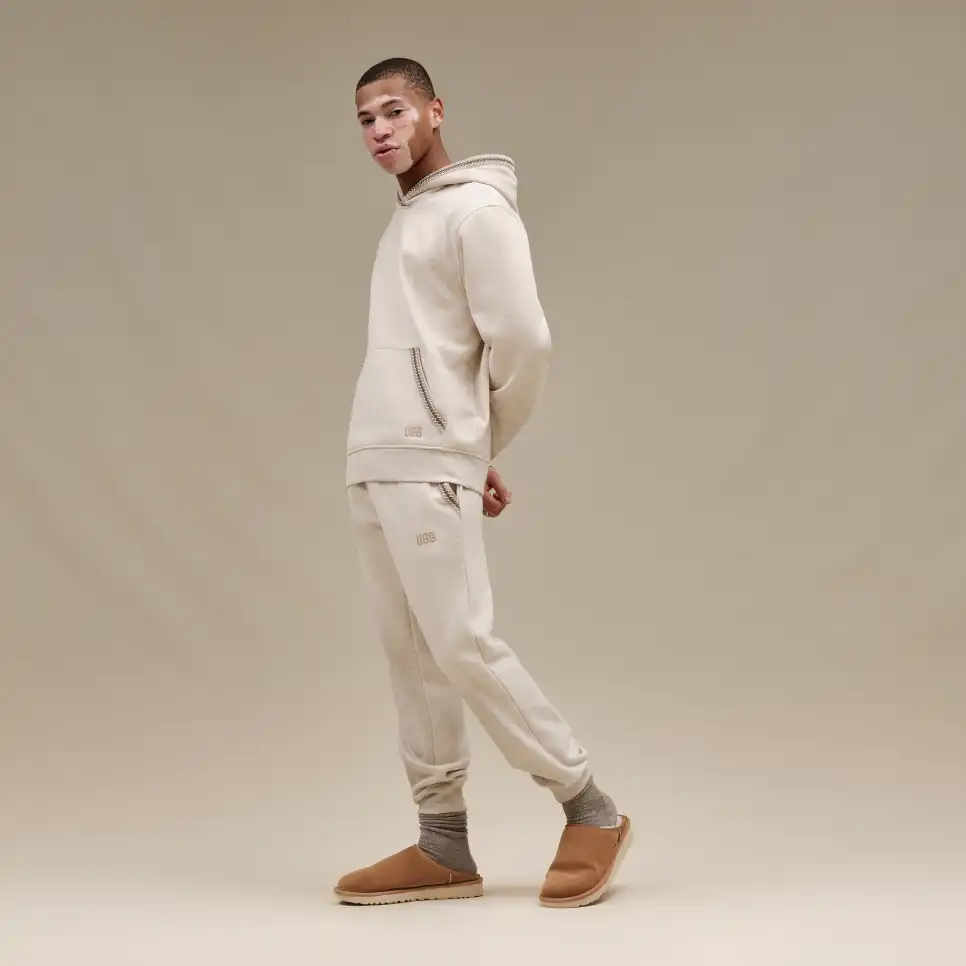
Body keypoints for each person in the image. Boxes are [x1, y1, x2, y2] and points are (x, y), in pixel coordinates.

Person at [336, 57, 631, 908]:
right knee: (411, 655)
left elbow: (526, 343)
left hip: (426, 456)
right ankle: (443, 842)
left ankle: (591, 808)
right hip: (377, 457)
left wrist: (474, 441)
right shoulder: (406, 221)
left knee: (462, 642)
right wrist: (462, 443)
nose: (380, 130)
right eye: (365, 119)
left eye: (394, 111)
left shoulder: (477, 211)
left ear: (436, 111)